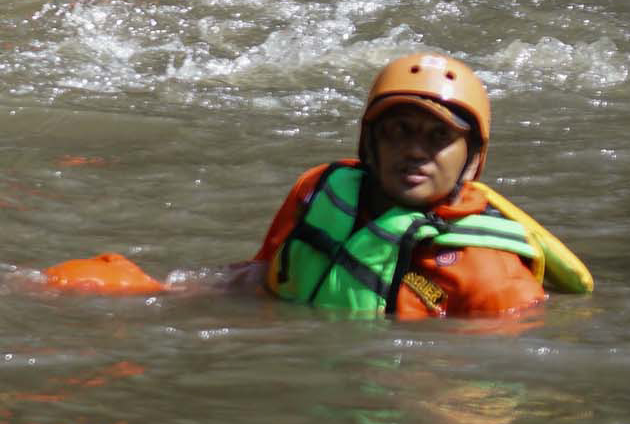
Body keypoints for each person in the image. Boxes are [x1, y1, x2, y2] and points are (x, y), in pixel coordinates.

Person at [44, 53, 592, 321]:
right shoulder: (319, 189)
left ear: (472, 159)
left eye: (438, 138)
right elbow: (264, 275)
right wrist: (163, 292)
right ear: (369, 141)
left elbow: (484, 386)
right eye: (399, 131)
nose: (415, 151)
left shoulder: (492, 275)